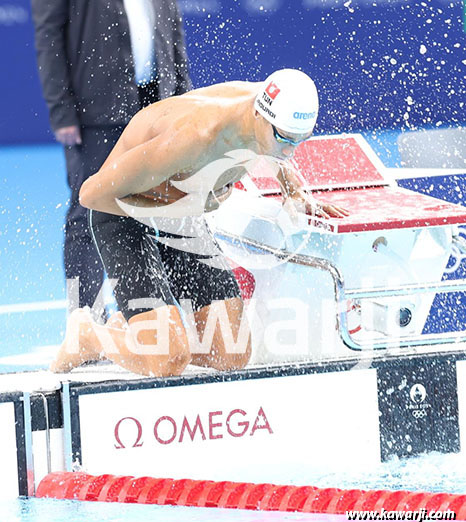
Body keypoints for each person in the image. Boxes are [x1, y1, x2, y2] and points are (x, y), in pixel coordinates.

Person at [51, 68, 349, 377]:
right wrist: (173, 200)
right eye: (284, 138)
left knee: (230, 354)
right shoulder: (193, 137)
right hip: (124, 216)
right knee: (168, 362)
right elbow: (91, 195)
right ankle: (88, 336)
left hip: (180, 216)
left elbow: (280, 149)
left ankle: (139, 333)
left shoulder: (271, 103)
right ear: (260, 116)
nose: (289, 150)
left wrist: (294, 191)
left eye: (300, 140)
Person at [31, 0, 192, 320]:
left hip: (157, 101)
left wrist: (184, 97)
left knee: (167, 207)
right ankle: (85, 320)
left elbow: (172, 25)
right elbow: (48, 35)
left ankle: (164, 315)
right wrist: (61, 109)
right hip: (97, 110)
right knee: (88, 211)